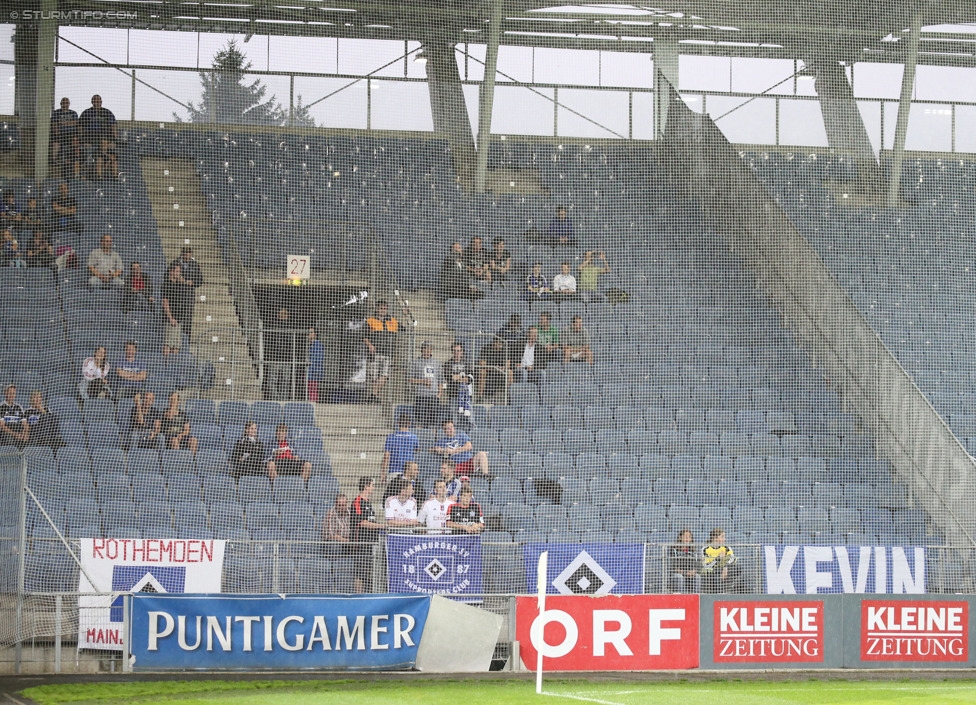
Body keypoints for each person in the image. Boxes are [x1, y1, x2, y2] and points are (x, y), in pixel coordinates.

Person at [350, 477, 384, 593]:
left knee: (367, 570)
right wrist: (380, 526)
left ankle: (366, 593)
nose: (373, 488)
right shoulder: (358, 501)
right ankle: (358, 595)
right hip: (361, 542)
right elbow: (362, 522)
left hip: (370, 542)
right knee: (359, 571)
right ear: (366, 486)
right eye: (372, 485)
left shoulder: (368, 503)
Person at [364, 300, 398, 403]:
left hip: (388, 353)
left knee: (384, 375)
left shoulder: (393, 321)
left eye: (384, 308)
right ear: (377, 309)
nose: (383, 310)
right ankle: (374, 396)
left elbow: (404, 328)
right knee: (374, 376)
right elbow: (363, 336)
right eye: (381, 308)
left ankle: (373, 395)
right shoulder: (370, 321)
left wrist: (405, 314)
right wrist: (370, 345)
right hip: (375, 353)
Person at [78, 94, 118, 179]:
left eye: (99, 100)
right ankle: (105, 158)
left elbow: (113, 125)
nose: (97, 102)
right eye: (95, 100)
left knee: (104, 141)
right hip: (91, 136)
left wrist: (114, 140)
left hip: (104, 135)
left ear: (101, 101)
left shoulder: (107, 112)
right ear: (92, 102)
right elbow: (81, 126)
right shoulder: (86, 112)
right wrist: (81, 139)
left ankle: (106, 160)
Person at [168, 246, 203, 336]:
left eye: (189, 256)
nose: (187, 258)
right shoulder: (174, 263)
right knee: (176, 316)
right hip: (176, 295)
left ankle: (186, 338)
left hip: (188, 296)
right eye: (186, 256)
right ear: (182, 254)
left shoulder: (195, 264)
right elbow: (168, 277)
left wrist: (192, 282)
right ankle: (174, 337)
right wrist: (176, 279)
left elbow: (200, 281)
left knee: (187, 318)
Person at [408, 341, 444, 429]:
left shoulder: (437, 363)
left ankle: (432, 440)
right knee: (419, 421)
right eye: (425, 349)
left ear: (432, 350)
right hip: (421, 396)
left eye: (429, 349)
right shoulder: (415, 362)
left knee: (433, 422)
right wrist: (423, 381)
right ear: (421, 350)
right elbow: (410, 379)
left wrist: (439, 394)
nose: (427, 351)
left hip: (433, 396)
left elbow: (441, 380)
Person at [701, 527, 745, 593]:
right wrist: (718, 558)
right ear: (715, 538)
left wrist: (725, 566)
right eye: (722, 537)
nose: (725, 539)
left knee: (737, 568)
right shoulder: (705, 549)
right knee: (716, 572)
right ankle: (720, 592)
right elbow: (707, 565)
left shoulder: (726, 548)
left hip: (726, 569)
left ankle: (728, 589)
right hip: (712, 570)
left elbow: (732, 559)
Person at [161, 261, 190, 356]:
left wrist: (183, 281)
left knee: (176, 345)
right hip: (171, 319)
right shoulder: (166, 284)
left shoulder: (179, 285)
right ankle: (165, 365)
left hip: (179, 318)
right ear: (171, 271)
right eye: (176, 271)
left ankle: (173, 366)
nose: (178, 273)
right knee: (168, 343)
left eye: (179, 272)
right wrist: (170, 318)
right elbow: (165, 302)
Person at [50, 97, 81, 179]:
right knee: (55, 142)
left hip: (71, 134)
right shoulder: (56, 113)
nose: (65, 104)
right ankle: (54, 160)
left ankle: (76, 157)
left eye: (67, 103)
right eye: (63, 103)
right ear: (60, 104)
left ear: (69, 104)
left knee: (76, 140)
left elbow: (75, 123)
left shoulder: (73, 113)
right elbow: (55, 125)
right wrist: (59, 130)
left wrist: (62, 123)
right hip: (60, 134)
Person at [477, 335, 512, 403]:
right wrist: (493, 368)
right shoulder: (486, 348)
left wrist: (504, 368)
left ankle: (509, 398)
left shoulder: (505, 349)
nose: (500, 346)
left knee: (510, 372)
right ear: (494, 342)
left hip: (501, 371)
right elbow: (482, 364)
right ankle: (479, 397)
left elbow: (508, 364)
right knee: (482, 371)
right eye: (498, 343)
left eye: (501, 344)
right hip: (489, 371)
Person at [445, 342, 473, 427]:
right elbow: (450, 379)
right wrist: (462, 377)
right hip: (454, 395)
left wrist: (458, 377)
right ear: (452, 352)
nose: (456, 353)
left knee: (470, 419)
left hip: (466, 396)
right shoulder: (448, 364)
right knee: (455, 420)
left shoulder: (467, 364)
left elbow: (470, 379)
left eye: (458, 351)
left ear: (462, 352)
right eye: (454, 351)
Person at [669, 529, 702, 594]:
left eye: (689, 537)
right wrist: (684, 572)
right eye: (685, 536)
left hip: (691, 574)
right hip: (679, 572)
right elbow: (673, 565)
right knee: (679, 577)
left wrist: (694, 571)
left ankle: (696, 596)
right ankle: (680, 596)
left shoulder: (694, 550)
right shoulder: (674, 550)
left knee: (697, 576)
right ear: (680, 537)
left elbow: (698, 564)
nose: (687, 539)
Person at [306, 327, 324, 402]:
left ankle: (313, 404)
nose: (309, 334)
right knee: (311, 388)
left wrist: (314, 370)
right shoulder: (311, 344)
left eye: (311, 332)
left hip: (314, 371)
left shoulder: (317, 344)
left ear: (315, 334)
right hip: (311, 370)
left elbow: (318, 358)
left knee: (313, 388)